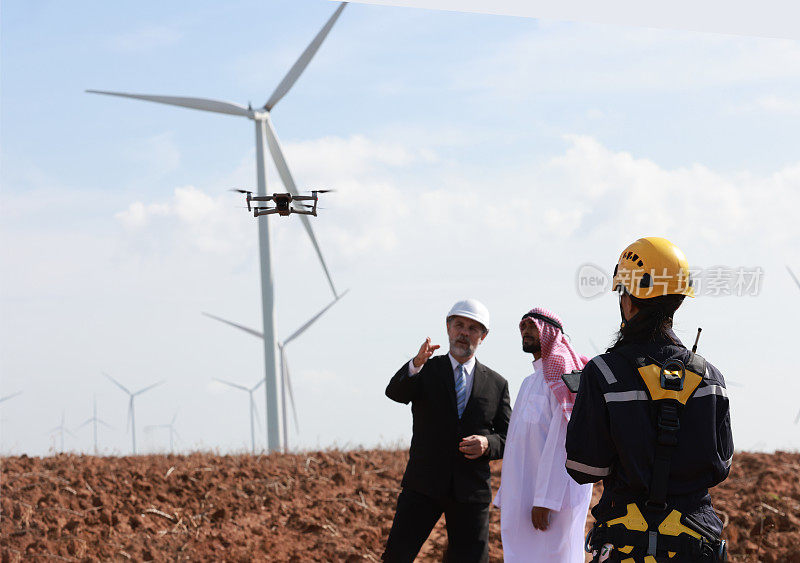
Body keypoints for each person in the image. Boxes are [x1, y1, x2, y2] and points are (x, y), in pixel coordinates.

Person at [565, 237, 733, 562]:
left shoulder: (603, 373)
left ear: (629, 299)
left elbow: (584, 467)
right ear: (678, 301)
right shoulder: (711, 378)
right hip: (695, 541)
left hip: (625, 540)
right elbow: (719, 468)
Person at [383, 298, 512, 563]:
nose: (464, 333)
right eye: (459, 325)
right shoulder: (425, 369)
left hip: (471, 491)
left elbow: (508, 437)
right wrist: (415, 363)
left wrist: (488, 444)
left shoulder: (497, 384)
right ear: (448, 328)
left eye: (473, 328)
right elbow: (394, 392)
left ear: (483, 336)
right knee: (397, 557)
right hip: (423, 485)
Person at [493, 307, 593, 562]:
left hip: (554, 499)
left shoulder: (563, 381)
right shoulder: (529, 382)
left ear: (550, 333)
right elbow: (516, 445)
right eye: (522, 327)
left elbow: (562, 443)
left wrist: (546, 499)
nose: (525, 331)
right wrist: (508, 492)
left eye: (532, 326)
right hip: (525, 496)